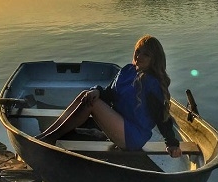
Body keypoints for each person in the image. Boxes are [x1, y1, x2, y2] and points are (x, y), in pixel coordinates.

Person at [35, 35, 182, 157]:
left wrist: (171, 143)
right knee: (86, 95)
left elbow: (161, 117)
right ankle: (49, 133)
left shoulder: (151, 83)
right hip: (119, 124)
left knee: (94, 103)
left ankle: (50, 138)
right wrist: (97, 91)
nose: (139, 56)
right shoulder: (128, 70)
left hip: (132, 136)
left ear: (154, 59)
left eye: (146, 54)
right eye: (138, 51)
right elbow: (110, 93)